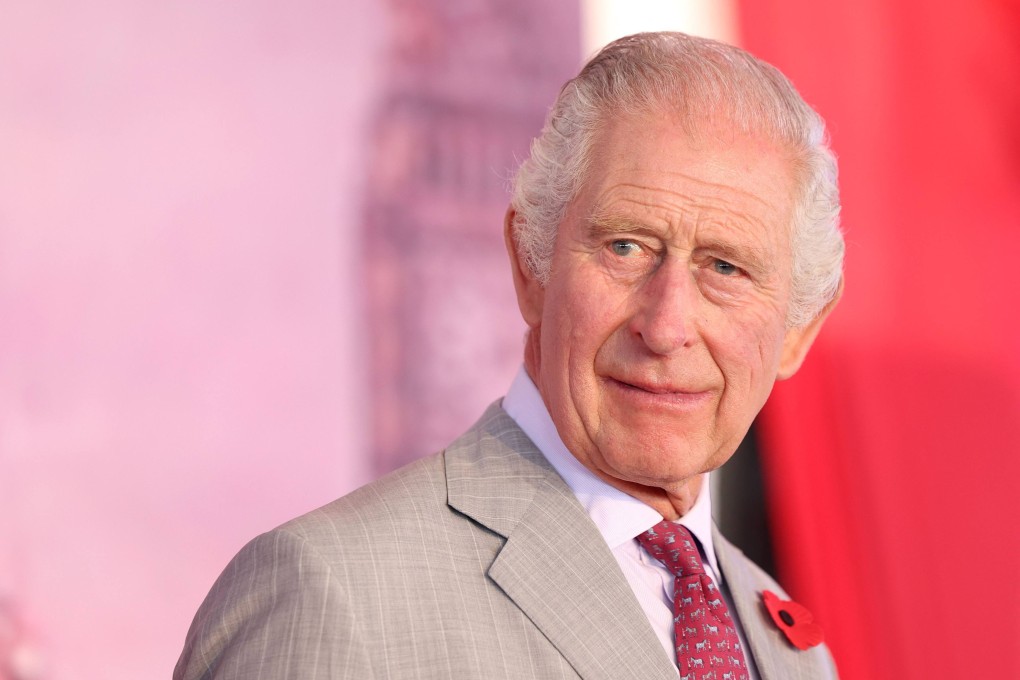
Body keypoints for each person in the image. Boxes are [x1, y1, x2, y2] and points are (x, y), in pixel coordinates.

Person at [175, 32, 843, 680]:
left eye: (725, 267)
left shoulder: (792, 655)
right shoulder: (329, 594)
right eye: (625, 247)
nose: (666, 326)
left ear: (797, 333)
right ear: (531, 266)